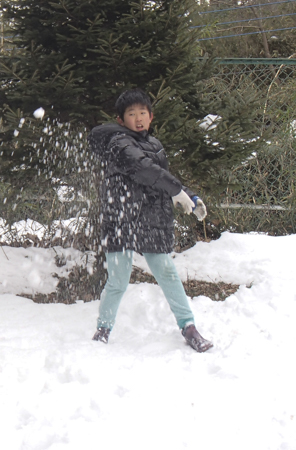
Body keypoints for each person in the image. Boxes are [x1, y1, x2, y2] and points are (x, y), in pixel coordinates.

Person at [88, 88, 213, 352]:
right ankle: (103, 328)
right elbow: (144, 169)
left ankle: (189, 326)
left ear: (151, 116)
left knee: (167, 272)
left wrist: (189, 196)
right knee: (119, 279)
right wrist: (177, 191)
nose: (139, 118)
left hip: (150, 219)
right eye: (132, 114)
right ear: (121, 120)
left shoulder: (155, 146)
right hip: (121, 219)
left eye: (143, 112)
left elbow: (161, 177)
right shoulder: (119, 143)